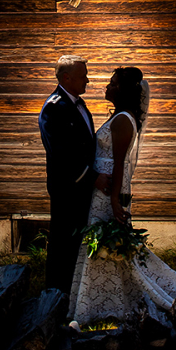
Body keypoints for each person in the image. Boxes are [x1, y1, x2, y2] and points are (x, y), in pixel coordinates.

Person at [67, 65, 176, 328]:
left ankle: (116, 301)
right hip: (102, 187)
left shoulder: (123, 120)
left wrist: (113, 201)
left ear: (122, 90)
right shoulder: (119, 116)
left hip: (110, 188)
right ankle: (105, 300)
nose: (106, 87)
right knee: (104, 243)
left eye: (112, 83)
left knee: (107, 241)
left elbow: (120, 163)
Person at [39, 54, 98, 296]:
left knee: (78, 247)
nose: (88, 80)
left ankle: (75, 296)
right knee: (62, 247)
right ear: (66, 77)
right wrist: (92, 178)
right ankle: (54, 298)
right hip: (68, 190)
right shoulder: (54, 108)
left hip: (84, 190)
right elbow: (62, 156)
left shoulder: (80, 105)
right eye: (83, 76)